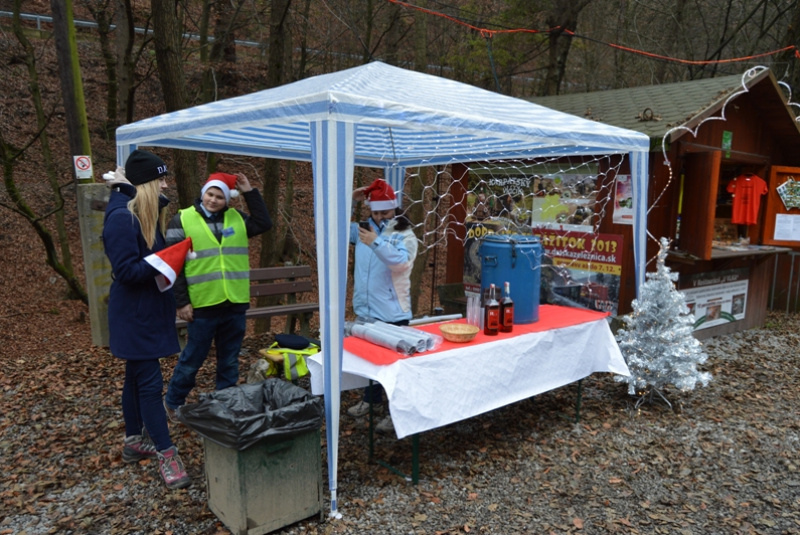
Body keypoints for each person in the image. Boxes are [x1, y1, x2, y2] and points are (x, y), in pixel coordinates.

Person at [102, 149, 191, 490]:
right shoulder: (123, 219)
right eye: (160, 178)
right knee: (151, 385)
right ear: (145, 183)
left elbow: (146, 256)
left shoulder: (141, 212)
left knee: (135, 379)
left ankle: (133, 441)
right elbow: (125, 270)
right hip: (135, 317)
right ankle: (166, 454)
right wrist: (166, 260)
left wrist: (171, 257)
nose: (165, 184)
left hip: (146, 313)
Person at [163, 171, 272, 419]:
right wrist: (181, 301)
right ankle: (173, 401)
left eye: (219, 197)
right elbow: (174, 263)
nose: (213, 200)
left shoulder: (236, 218)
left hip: (233, 302)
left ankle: (226, 400)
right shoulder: (182, 219)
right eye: (210, 194)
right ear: (203, 194)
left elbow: (264, 223)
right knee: (193, 358)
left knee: (230, 359)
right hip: (202, 304)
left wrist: (249, 191)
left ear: (228, 199)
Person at [347, 178, 418, 434]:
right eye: (375, 211)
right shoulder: (363, 229)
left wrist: (375, 242)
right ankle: (371, 399)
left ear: (394, 209)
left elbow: (401, 262)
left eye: (385, 211)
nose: (379, 216)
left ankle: (395, 411)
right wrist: (349, 200)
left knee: (393, 367)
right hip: (366, 309)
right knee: (371, 362)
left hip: (392, 312)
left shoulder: (404, 232)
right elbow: (332, 225)